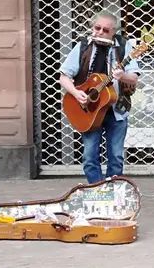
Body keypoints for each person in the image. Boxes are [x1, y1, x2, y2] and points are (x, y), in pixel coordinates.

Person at [59, 10, 141, 184]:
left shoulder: (124, 46)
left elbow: (134, 78)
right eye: (97, 28)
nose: (100, 33)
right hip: (90, 110)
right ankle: (96, 190)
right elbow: (64, 76)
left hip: (116, 109)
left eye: (106, 30)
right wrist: (76, 93)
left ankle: (113, 191)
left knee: (116, 156)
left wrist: (122, 76)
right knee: (89, 156)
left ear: (114, 32)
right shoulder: (83, 46)